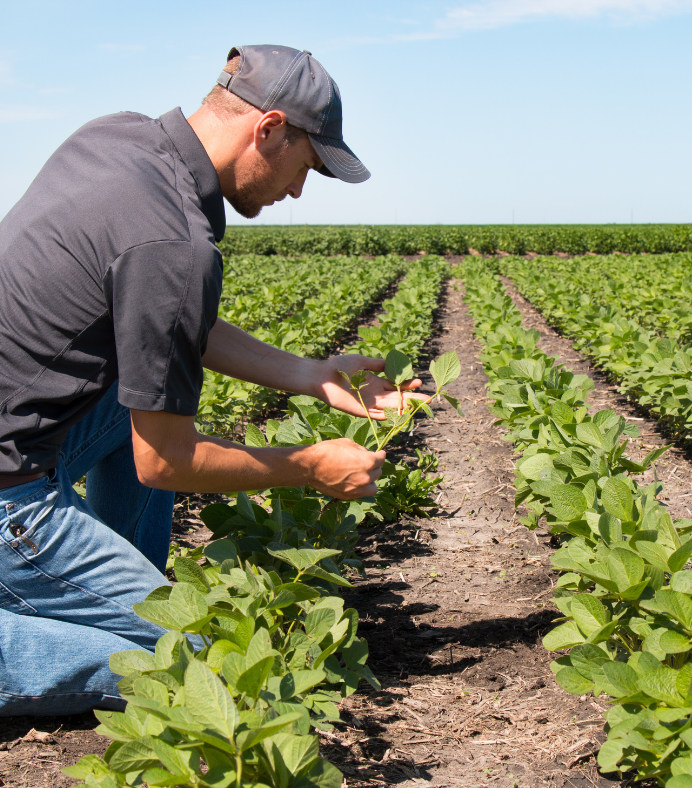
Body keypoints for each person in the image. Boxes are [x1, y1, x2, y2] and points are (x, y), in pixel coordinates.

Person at [0, 45, 424, 716]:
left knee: (131, 389)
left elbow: (166, 321)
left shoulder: (118, 137)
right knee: (190, 662)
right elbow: (165, 461)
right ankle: (97, 621)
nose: (297, 191)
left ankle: (116, 598)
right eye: (306, 167)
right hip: (8, 498)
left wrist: (310, 375)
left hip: (23, 441)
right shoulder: (175, 242)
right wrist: (311, 466)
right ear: (270, 128)